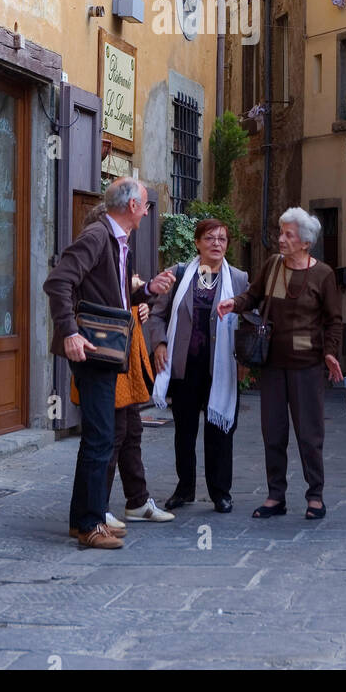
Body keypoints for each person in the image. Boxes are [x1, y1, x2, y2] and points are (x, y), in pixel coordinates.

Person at [44, 178, 174, 549]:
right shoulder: (98, 236)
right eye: (146, 205)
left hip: (106, 348)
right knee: (100, 438)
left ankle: (83, 518)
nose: (147, 213)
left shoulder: (118, 242)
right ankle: (89, 525)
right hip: (93, 349)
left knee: (99, 438)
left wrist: (148, 290)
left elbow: (116, 293)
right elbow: (58, 282)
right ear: (132, 206)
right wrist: (69, 331)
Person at [218, 207, 343, 520]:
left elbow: (334, 320)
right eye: (281, 232)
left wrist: (330, 353)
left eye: (288, 234)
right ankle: (276, 496)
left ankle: (315, 496)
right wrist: (235, 303)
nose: (281, 239)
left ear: (305, 242)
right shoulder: (273, 265)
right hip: (272, 362)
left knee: (309, 434)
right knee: (273, 432)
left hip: (307, 366)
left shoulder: (323, 275)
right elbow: (254, 296)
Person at [149, 219, 249, 513]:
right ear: (197, 242)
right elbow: (157, 315)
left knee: (220, 430)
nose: (216, 244)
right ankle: (185, 488)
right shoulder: (179, 274)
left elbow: (254, 316)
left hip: (222, 368)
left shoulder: (239, 279)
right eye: (209, 238)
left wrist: (246, 358)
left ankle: (221, 492)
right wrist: (160, 344)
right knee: (184, 431)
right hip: (185, 366)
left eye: (222, 239)